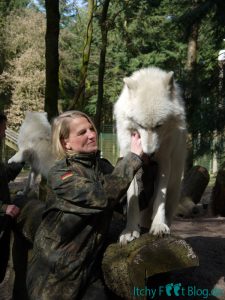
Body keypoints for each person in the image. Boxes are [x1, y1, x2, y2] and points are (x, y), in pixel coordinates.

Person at [26, 110, 144, 300]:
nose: (91, 134)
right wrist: (132, 159)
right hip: (53, 276)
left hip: (89, 271)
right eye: (82, 132)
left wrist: (147, 169)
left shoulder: (102, 167)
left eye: (91, 129)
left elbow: (125, 201)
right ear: (66, 143)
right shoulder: (61, 174)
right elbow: (101, 197)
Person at [0, 113, 24, 283]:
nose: (4, 133)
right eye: (2, 128)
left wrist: (23, 156)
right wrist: (2, 207)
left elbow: (3, 176)